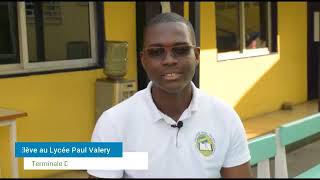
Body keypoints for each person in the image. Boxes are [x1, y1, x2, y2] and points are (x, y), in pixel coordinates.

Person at [88, 12, 252, 178]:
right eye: (156, 52)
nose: (169, 60)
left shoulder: (224, 117)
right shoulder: (113, 123)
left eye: (180, 50)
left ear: (196, 55)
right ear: (143, 60)